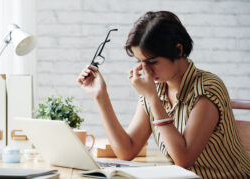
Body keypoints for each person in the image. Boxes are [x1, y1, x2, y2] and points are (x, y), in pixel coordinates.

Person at [77, 11, 250, 178]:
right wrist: (101, 97)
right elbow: (126, 151)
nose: (145, 70)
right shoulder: (156, 88)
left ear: (178, 50)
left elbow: (183, 159)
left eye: (152, 62)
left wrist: (153, 99)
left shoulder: (207, 89)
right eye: (140, 62)